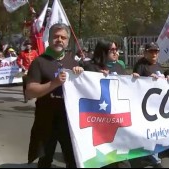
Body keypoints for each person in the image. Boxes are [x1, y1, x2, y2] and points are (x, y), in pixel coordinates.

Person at [26, 23, 84, 168]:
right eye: (56, 37)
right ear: (49, 38)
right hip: (46, 120)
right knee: (45, 160)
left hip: (69, 121)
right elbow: (30, 91)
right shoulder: (39, 62)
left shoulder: (73, 62)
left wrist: (82, 75)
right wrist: (55, 83)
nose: (59, 40)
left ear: (68, 41)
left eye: (63, 37)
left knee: (73, 160)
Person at [82, 40, 131, 168]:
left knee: (122, 159)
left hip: (116, 118)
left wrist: (134, 79)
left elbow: (126, 87)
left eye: (117, 49)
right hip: (99, 119)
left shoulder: (119, 67)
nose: (116, 52)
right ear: (103, 51)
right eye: (112, 50)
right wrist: (80, 72)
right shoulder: (90, 67)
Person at [132, 42, 169, 168]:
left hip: (158, 107)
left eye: (156, 51)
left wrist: (167, 79)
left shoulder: (158, 65)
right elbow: (135, 81)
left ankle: (152, 156)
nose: (154, 54)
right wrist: (145, 78)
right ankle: (155, 160)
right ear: (145, 53)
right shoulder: (141, 65)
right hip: (146, 108)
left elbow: (163, 81)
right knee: (150, 133)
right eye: (151, 51)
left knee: (156, 133)